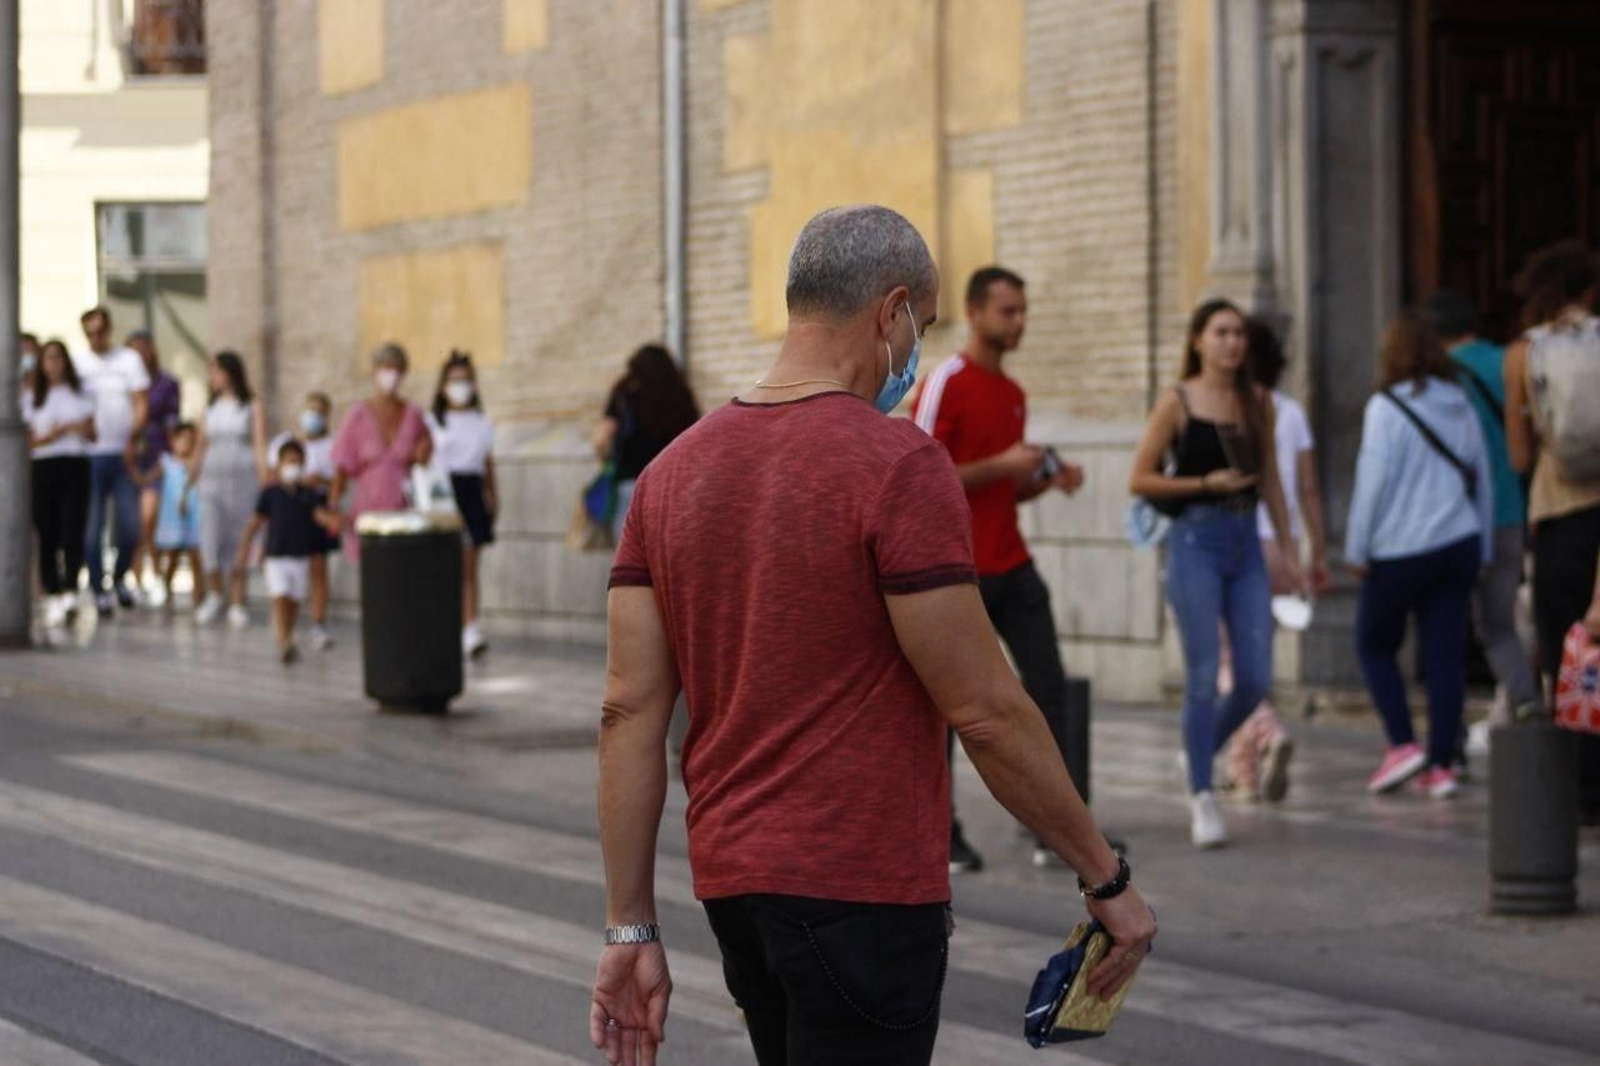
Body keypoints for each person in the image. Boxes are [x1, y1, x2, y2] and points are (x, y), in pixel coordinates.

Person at [589, 206, 1155, 1066]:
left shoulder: (670, 474)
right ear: (890, 313)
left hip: (736, 885)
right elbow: (986, 708)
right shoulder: (895, 464)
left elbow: (629, 712)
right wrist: (1103, 875)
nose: (916, 351)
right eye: (922, 327)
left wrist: (629, 925)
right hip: (861, 885)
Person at [910, 266, 1087, 872]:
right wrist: (1001, 463)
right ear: (977, 312)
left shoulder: (1013, 394)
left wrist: (1044, 481)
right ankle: (942, 833)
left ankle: (1060, 831)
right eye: (1008, 311)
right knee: (949, 709)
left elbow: (1000, 492)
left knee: (1050, 691)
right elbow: (920, 479)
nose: (1018, 324)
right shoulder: (944, 384)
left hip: (1013, 563)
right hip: (959, 573)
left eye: (1022, 312)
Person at [1128, 299, 1301, 848]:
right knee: (1203, 674)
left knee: (1253, 677)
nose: (1232, 342)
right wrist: (1206, 485)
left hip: (1246, 541)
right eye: (1221, 332)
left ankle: (1196, 752)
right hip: (1195, 540)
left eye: (1239, 333)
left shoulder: (1258, 402)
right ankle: (1203, 794)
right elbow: (1141, 478)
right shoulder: (1177, 401)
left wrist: (1289, 552)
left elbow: (1271, 476)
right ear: (1198, 340)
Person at [1346, 310, 1493, 799]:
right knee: (1444, 655)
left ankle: (1404, 744)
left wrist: (1357, 548)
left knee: (1373, 642)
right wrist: (1485, 545)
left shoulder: (1386, 407)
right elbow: (1483, 481)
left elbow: (1372, 484)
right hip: (1459, 543)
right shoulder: (1463, 404)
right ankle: (1442, 766)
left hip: (1400, 548)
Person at [1503, 241, 1600, 823]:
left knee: (1570, 650)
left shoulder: (1523, 353)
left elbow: (1518, 455)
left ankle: (1583, 790)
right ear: (1588, 290)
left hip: (1558, 508)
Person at [1425, 291, 1544, 736]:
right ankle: (1527, 702)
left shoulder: (1436, 379)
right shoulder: (1509, 362)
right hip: (1512, 510)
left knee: (1448, 626)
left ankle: (1447, 731)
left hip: (1456, 519)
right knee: (1500, 624)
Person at [1222, 318, 1331, 802]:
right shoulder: (1291, 411)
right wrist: (1315, 552)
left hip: (1238, 541)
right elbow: (1308, 488)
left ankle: (1265, 732)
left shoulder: (1227, 407)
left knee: (1229, 661)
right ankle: (1244, 771)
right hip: (1282, 548)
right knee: (1253, 660)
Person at [74, 306, 149, 616]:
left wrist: (132, 438)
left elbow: (141, 402)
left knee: (131, 524)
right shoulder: (77, 364)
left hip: (122, 454)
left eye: (100, 332)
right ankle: (97, 587)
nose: (95, 338)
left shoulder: (128, 361)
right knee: (92, 527)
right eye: (89, 333)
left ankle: (119, 577)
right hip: (89, 456)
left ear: (109, 329)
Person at [235, 440, 339, 664]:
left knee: (292, 601)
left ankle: (288, 634)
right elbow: (256, 522)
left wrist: (335, 521)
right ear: (280, 464)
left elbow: (319, 515)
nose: (295, 466)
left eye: (299, 462)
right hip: (276, 556)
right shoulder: (270, 493)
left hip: (300, 557)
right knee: (280, 597)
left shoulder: (307, 494)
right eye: (290, 461)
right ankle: (284, 643)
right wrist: (246, 550)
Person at [328, 343, 433, 559]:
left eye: (396, 369)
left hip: (404, 508)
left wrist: (422, 453)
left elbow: (426, 454)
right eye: (386, 368)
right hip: (368, 509)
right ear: (375, 371)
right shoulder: (357, 415)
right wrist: (334, 506)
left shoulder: (414, 414)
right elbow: (342, 466)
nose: (391, 375)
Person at [426, 352, 499, 659]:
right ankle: (442, 626)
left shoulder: (482, 422)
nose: (461, 385)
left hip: (471, 491)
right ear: (443, 385)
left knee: (469, 567)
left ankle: (471, 628)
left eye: (465, 379)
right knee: (444, 566)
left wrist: (492, 494)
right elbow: (425, 460)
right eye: (454, 380)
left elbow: (486, 461)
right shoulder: (433, 422)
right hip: (443, 491)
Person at [190, 351, 267, 628]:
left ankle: (237, 600)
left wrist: (265, 482)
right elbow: (200, 448)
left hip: (242, 482)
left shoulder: (251, 405)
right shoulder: (209, 409)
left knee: (239, 539)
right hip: (211, 481)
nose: (212, 377)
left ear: (230, 373)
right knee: (210, 538)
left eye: (216, 371)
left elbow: (259, 445)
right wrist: (189, 484)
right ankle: (214, 594)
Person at [592, 344, 699, 539]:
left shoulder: (625, 395)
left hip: (631, 484)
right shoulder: (681, 397)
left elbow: (601, 440)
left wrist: (605, 462)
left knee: (629, 557)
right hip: (674, 489)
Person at [26, 340, 96, 628]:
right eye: (48, 359)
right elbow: (28, 440)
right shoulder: (32, 398)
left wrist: (78, 428)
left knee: (72, 526)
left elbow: (94, 434)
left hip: (74, 463)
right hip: (44, 464)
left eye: (58, 358)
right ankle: (52, 590)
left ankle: (69, 589)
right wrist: (52, 435)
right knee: (47, 528)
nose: (53, 364)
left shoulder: (80, 394)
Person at [269, 393, 337, 650]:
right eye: (310, 410)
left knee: (319, 567)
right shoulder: (287, 444)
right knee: (289, 576)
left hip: (317, 506)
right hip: (291, 511)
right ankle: (285, 629)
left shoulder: (332, 444)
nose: (313, 416)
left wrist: (322, 482)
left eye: (319, 411)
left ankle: (318, 623)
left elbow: (339, 479)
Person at [126, 330, 182, 603]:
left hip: (156, 459)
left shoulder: (167, 384)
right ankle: (135, 578)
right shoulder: (120, 383)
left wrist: (170, 461)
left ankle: (157, 574)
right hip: (127, 459)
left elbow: (173, 426)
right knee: (132, 523)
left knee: (150, 517)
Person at [153, 422, 204, 610]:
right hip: (172, 515)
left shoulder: (194, 465)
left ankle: (199, 596)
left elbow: (192, 482)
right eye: (181, 440)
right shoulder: (166, 462)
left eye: (190, 441)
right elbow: (149, 479)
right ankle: (166, 587)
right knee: (172, 555)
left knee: (195, 556)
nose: (185, 445)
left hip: (192, 514)